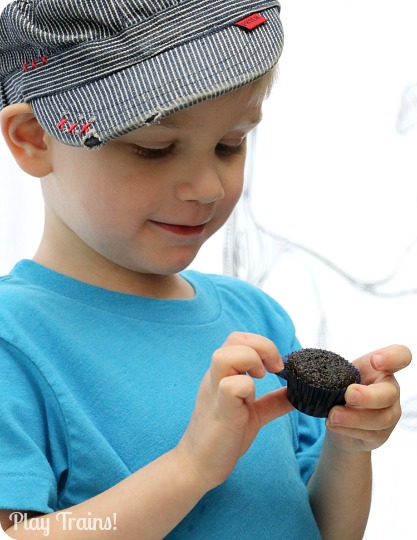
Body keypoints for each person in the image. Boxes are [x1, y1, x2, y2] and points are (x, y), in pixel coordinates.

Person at [0, 1, 411, 538]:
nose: (208, 188)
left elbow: (326, 530)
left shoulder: (257, 317)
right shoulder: (15, 337)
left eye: (230, 144)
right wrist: (189, 468)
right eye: (155, 148)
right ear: (33, 138)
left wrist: (349, 445)